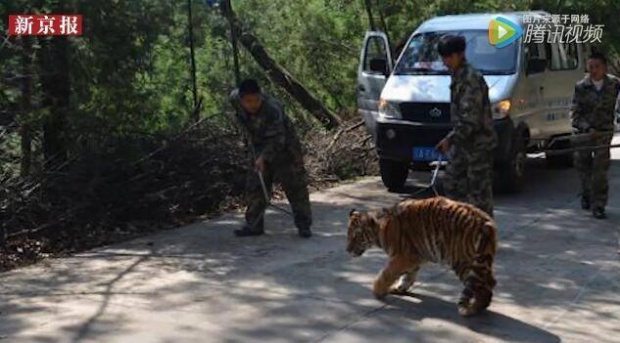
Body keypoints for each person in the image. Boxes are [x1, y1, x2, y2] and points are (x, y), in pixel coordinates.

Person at [228, 79, 313, 237]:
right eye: (248, 101)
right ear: (241, 100)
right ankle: (254, 225)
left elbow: (277, 140)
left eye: (256, 100)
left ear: (261, 96)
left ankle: (304, 225)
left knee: (295, 187)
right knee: (255, 186)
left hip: (286, 147)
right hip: (258, 144)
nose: (253, 105)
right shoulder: (234, 99)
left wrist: (264, 158)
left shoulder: (273, 109)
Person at [435, 35, 497, 217]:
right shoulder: (457, 76)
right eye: (443, 57)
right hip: (463, 144)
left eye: (448, 57)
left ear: (459, 55)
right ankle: (462, 228)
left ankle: (484, 234)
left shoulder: (470, 79)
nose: (445, 61)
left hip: (478, 145)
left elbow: (470, 119)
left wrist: (450, 139)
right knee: (452, 183)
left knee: (479, 194)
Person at [570, 52, 620, 219]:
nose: (593, 70)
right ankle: (586, 192)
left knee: (600, 170)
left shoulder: (614, 84)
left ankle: (599, 204)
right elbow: (575, 113)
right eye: (590, 67)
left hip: (604, 133)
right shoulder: (581, 87)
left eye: (597, 67)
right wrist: (587, 128)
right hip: (584, 133)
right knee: (583, 166)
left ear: (604, 67)